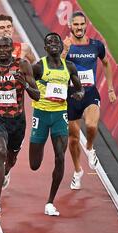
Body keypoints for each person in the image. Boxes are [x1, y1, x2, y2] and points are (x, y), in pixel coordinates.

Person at [0, 36, 40, 219]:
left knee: (11, 157)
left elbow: (37, 95)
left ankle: (7, 170)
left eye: (6, 47)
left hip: (17, 122)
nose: (2, 51)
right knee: (0, 151)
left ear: (11, 48)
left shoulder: (23, 65)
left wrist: (25, 85)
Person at [61, 11, 117, 189]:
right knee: (73, 139)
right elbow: (55, 68)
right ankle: (77, 172)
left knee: (92, 125)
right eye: (75, 24)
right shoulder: (65, 45)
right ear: (70, 26)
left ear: (86, 25)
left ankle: (91, 148)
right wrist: (64, 52)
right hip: (70, 96)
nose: (79, 27)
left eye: (81, 24)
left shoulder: (96, 46)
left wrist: (110, 88)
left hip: (90, 93)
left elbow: (106, 63)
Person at [30, 33, 84, 216]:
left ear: (62, 47)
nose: (53, 44)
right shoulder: (38, 67)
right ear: (45, 47)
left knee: (60, 156)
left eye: (56, 41)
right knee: (34, 164)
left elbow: (79, 88)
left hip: (60, 115)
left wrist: (80, 94)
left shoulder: (69, 67)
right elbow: (28, 85)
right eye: (49, 42)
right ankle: (40, 143)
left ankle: (50, 202)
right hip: (41, 114)